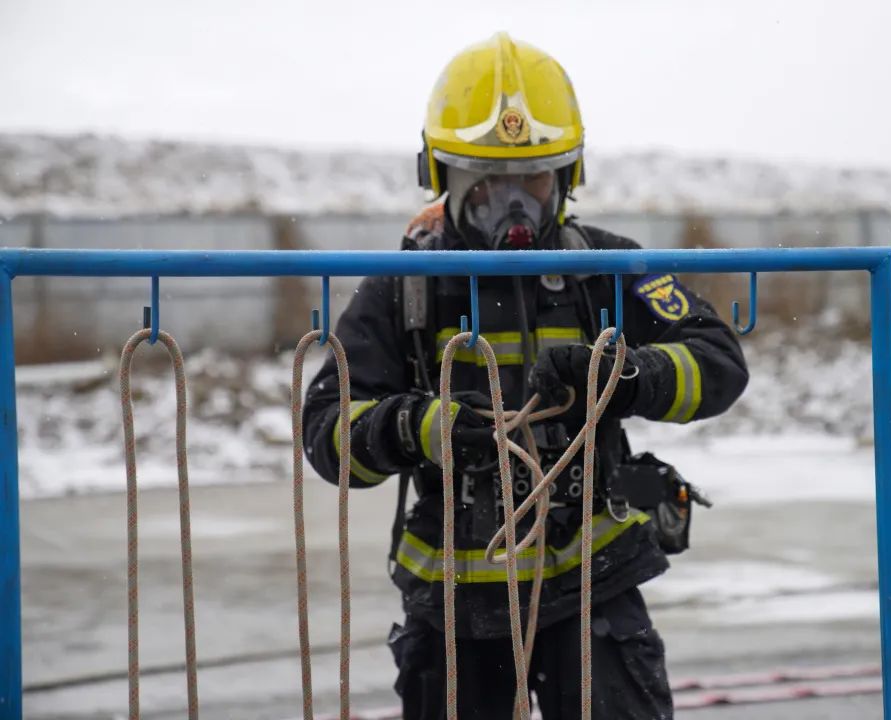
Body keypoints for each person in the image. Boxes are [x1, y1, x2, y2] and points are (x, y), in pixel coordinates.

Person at [303, 32, 749, 719]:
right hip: (453, 600)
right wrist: (421, 427)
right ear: (441, 176)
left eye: (534, 181)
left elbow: (718, 361)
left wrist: (626, 376)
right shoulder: (404, 286)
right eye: (486, 184)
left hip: (593, 582)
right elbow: (328, 432)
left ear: (567, 178)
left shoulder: (607, 267)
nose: (513, 208)